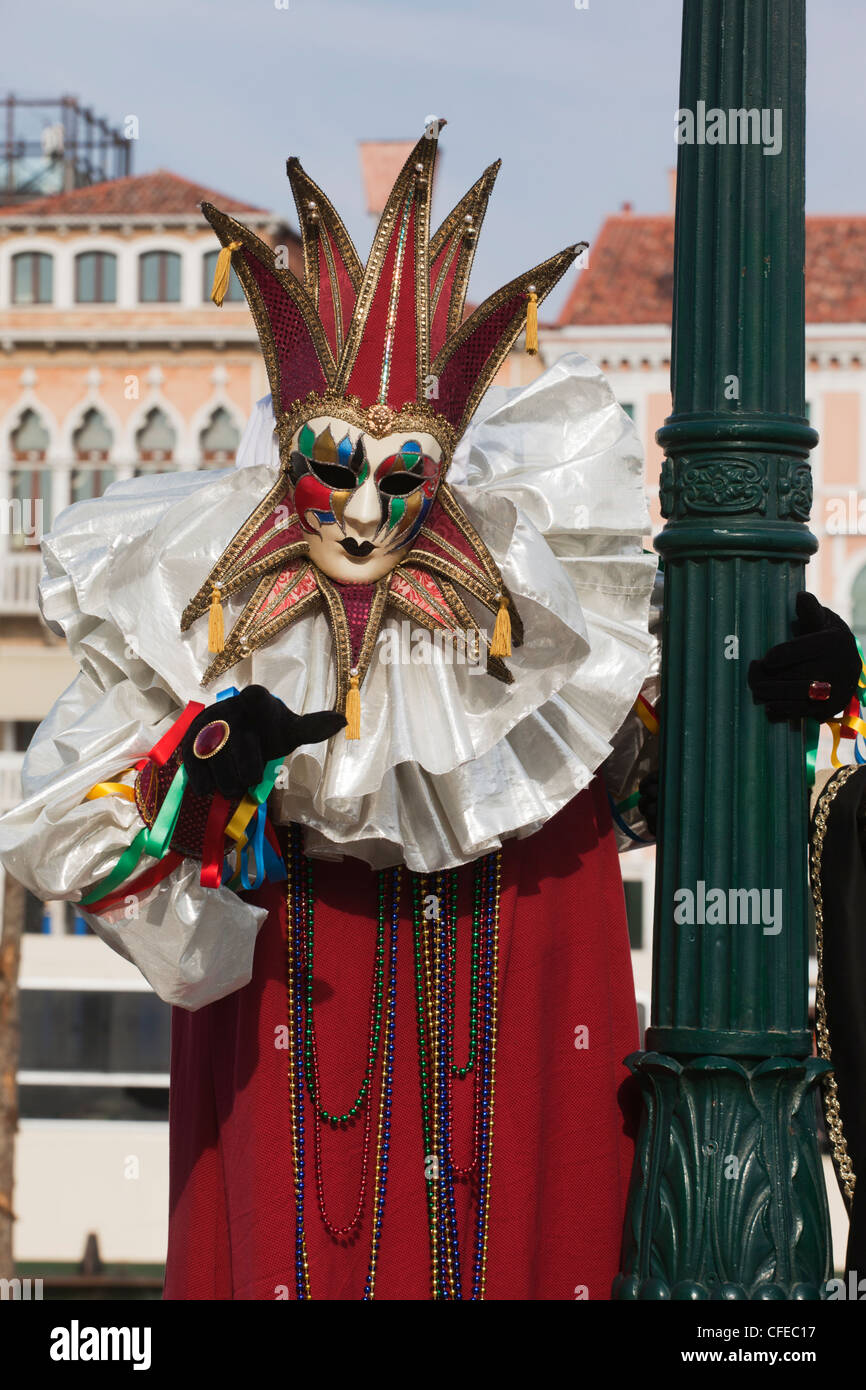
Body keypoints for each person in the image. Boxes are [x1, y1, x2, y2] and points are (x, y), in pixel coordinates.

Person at [0, 124, 857, 1301]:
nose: (361, 509)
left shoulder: (543, 627)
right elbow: (93, 858)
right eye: (329, 465)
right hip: (295, 1087)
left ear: (442, 473)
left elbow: (655, 787)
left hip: (526, 1060)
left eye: (400, 474)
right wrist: (205, 786)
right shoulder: (193, 620)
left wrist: (777, 686)